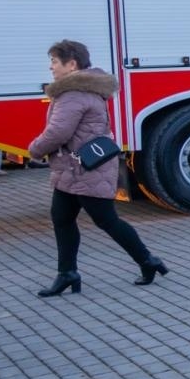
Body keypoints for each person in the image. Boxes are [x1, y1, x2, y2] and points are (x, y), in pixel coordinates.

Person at [27, 39, 167, 298]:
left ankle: (148, 261)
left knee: (106, 220)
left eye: (54, 62)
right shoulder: (81, 90)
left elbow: (58, 132)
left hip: (84, 170)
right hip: (73, 170)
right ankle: (67, 273)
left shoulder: (73, 94)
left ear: (72, 64)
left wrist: (33, 149)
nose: (51, 68)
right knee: (62, 218)